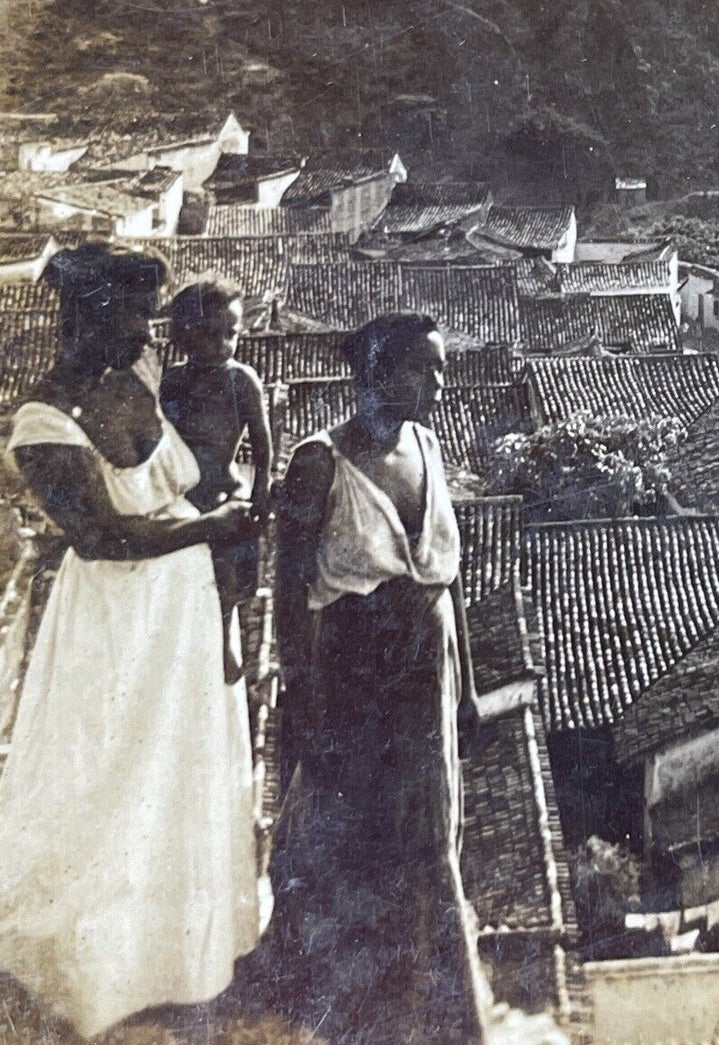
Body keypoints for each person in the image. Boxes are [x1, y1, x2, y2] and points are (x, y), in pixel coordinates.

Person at [0, 243, 260, 1039]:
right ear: (85, 314)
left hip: (181, 610)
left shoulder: (134, 386)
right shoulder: (41, 419)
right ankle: (97, 979)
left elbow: (185, 483)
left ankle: (177, 964)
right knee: (110, 779)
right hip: (116, 624)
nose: (149, 335)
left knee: (176, 775)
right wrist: (211, 527)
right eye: (133, 316)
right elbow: (100, 535)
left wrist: (230, 506)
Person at [267, 312, 493, 1043]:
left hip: (428, 671)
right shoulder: (317, 461)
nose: (439, 382)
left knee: (427, 839)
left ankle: (436, 1018)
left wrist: (467, 691)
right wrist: (302, 703)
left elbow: (448, 577)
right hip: (354, 673)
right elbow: (289, 594)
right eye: (424, 368)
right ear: (376, 372)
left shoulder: (426, 445)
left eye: (439, 366)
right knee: (353, 840)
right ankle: (353, 1019)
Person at [162, 274, 273, 684]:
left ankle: (227, 634)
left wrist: (261, 494)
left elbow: (263, 443)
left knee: (227, 578)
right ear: (184, 336)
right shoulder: (172, 381)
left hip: (225, 493)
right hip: (183, 495)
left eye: (231, 333)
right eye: (210, 335)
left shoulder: (242, 381)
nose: (223, 344)